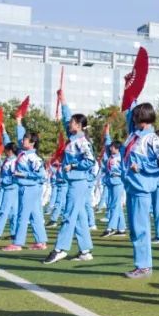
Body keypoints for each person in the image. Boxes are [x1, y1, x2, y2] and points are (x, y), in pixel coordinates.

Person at [121, 102, 159, 278]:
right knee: (135, 228)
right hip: (132, 186)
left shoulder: (150, 138)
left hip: (142, 187)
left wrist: (143, 167)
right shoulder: (134, 136)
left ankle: (144, 266)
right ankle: (141, 264)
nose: (133, 118)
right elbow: (128, 115)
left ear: (142, 118)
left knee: (140, 228)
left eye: (136, 115)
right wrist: (131, 95)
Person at [43, 92, 96, 264]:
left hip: (79, 182)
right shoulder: (73, 138)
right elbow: (67, 118)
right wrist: (63, 101)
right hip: (73, 181)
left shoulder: (82, 142)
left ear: (79, 126)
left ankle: (61, 248)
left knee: (69, 215)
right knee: (79, 216)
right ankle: (85, 250)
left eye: (73, 122)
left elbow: (90, 161)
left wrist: (73, 165)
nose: (69, 123)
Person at [1, 121, 48, 252]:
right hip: (28, 187)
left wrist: (24, 174)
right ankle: (41, 241)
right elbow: (15, 138)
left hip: (29, 188)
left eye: (26, 139)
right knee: (35, 215)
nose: (22, 141)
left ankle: (18, 243)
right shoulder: (23, 153)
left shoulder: (33, 157)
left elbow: (41, 174)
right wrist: (17, 123)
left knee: (22, 214)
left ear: (32, 143)